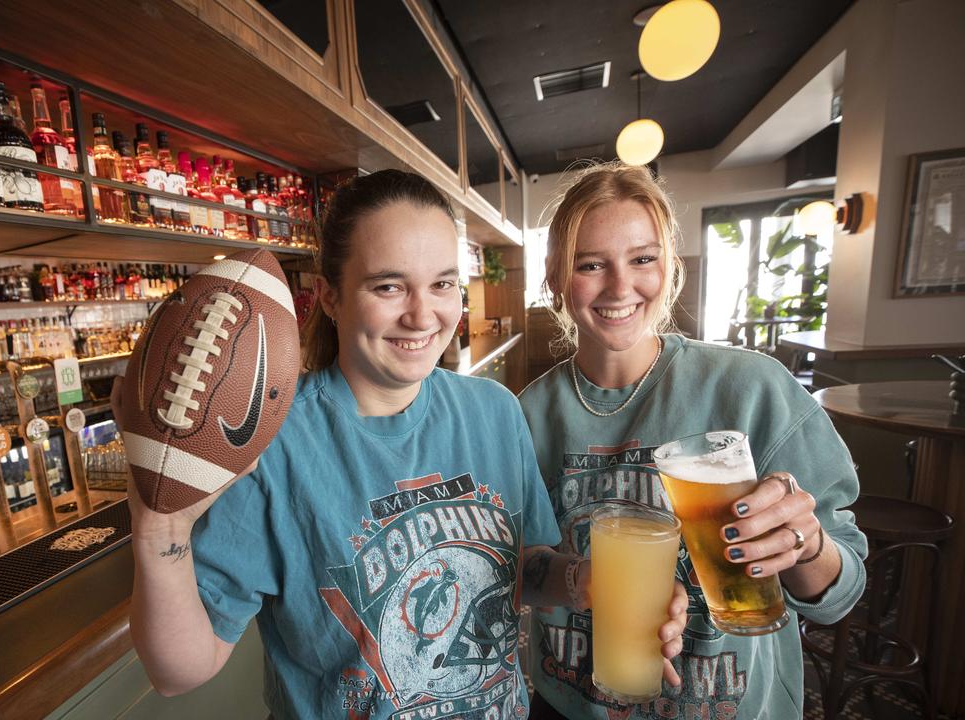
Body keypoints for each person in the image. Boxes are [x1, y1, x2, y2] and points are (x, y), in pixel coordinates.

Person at [117, 169, 687, 719]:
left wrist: (578, 581)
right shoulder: (274, 442)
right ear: (330, 298)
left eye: (442, 284)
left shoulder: (494, 412)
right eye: (388, 286)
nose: (422, 315)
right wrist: (159, 526)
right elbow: (179, 672)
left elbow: (525, 568)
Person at [519, 162, 867, 719]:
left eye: (642, 258)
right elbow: (518, 572)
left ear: (670, 267)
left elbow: (841, 592)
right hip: (570, 703)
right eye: (590, 264)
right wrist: (579, 580)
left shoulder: (752, 389)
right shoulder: (526, 416)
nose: (620, 285)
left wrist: (806, 543)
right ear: (556, 277)